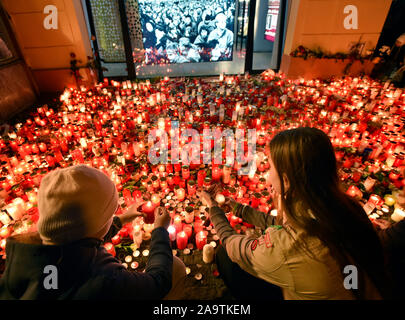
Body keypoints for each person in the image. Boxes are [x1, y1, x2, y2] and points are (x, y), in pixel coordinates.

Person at [198, 127, 390, 300]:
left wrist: (213, 208)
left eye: (271, 167)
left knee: (225, 256)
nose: (267, 176)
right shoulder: (343, 206)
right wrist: (238, 208)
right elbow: (285, 224)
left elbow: (237, 248)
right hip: (354, 288)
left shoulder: (289, 247)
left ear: (287, 180)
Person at [0, 165, 186, 300]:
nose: (112, 216)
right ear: (95, 224)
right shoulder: (103, 279)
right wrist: (160, 231)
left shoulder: (26, 256)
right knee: (175, 266)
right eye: (109, 214)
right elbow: (157, 283)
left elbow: (81, 235)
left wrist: (121, 219)